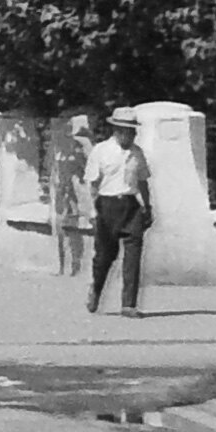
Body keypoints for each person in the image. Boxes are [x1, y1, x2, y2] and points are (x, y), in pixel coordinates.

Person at [86, 108, 152, 315]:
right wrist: (92, 211)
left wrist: (147, 206)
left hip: (131, 205)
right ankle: (96, 289)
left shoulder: (137, 153)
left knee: (133, 255)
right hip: (107, 204)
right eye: (125, 131)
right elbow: (93, 184)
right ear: (116, 130)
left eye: (132, 131)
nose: (130, 135)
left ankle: (128, 304)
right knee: (105, 255)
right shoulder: (101, 151)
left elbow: (143, 182)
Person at [50, 111, 94, 286]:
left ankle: (77, 266)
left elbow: (90, 166)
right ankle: (62, 266)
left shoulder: (84, 145)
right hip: (63, 193)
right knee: (61, 227)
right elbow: (55, 169)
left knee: (76, 227)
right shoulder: (60, 147)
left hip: (78, 193)